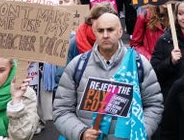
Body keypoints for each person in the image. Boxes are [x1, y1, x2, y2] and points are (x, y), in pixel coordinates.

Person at [54, 12, 164, 140]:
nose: (105, 35)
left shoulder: (139, 64)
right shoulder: (77, 65)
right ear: (95, 33)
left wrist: (138, 133)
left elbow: (154, 106)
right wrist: (81, 133)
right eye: (100, 31)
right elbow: (61, 110)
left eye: (110, 30)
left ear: (120, 32)